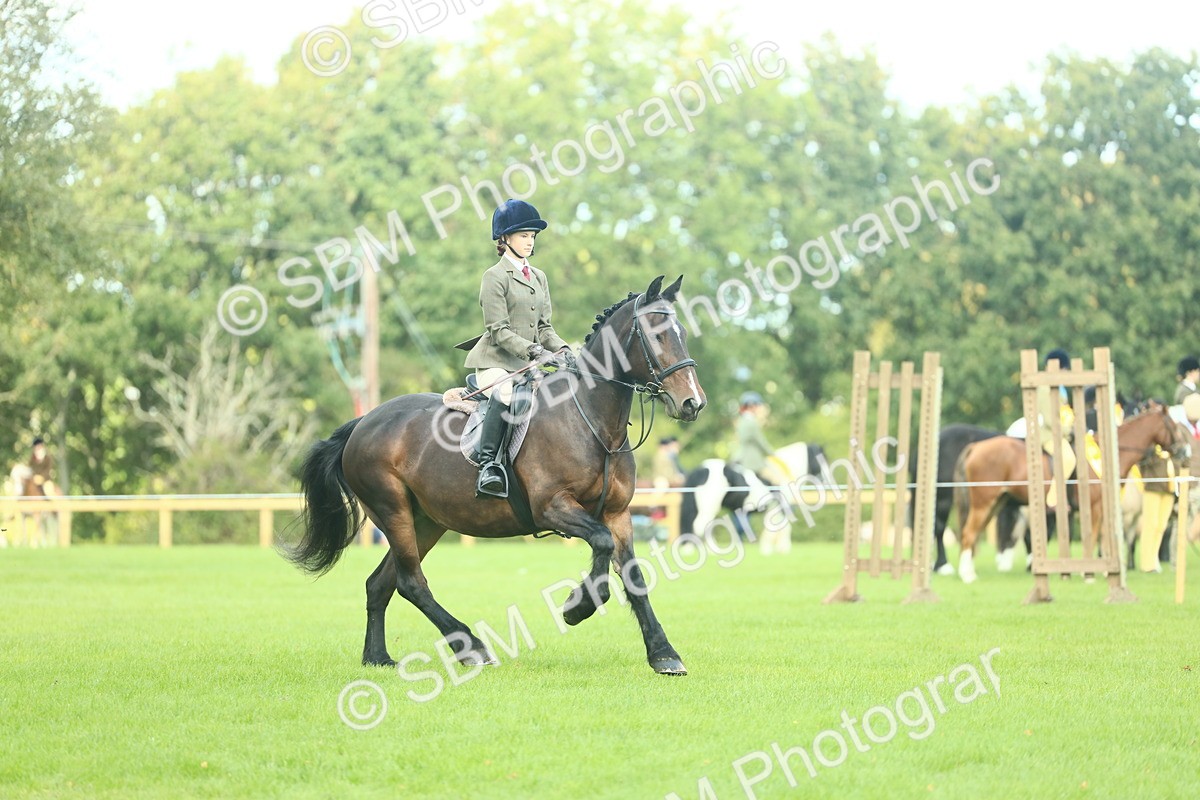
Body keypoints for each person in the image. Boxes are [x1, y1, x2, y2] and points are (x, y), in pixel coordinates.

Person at [461, 199, 575, 498]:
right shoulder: (494, 277)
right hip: (495, 362)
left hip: (527, 364)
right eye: (524, 235)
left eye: (532, 236)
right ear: (505, 239)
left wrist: (563, 350)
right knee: (505, 393)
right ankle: (489, 466)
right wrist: (534, 351)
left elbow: (544, 328)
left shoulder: (539, 277)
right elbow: (497, 331)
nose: (529, 241)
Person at [1036, 348, 1075, 509]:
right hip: (1048, 435)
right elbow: (1050, 419)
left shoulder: (1061, 390)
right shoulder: (1045, 389)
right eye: (1065, 370)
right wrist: (1068, 430)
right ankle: (1053, 499)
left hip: (1061, 433)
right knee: (1067, 458)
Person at [733, 392, 787, 488]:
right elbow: (761, 442)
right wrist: (773, 454)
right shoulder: (752, 422)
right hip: (753, 461)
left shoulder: (741, 421)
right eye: (758, 405)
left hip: (739, 458)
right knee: (776, 480)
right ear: (752, 406)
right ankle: (776, 502)